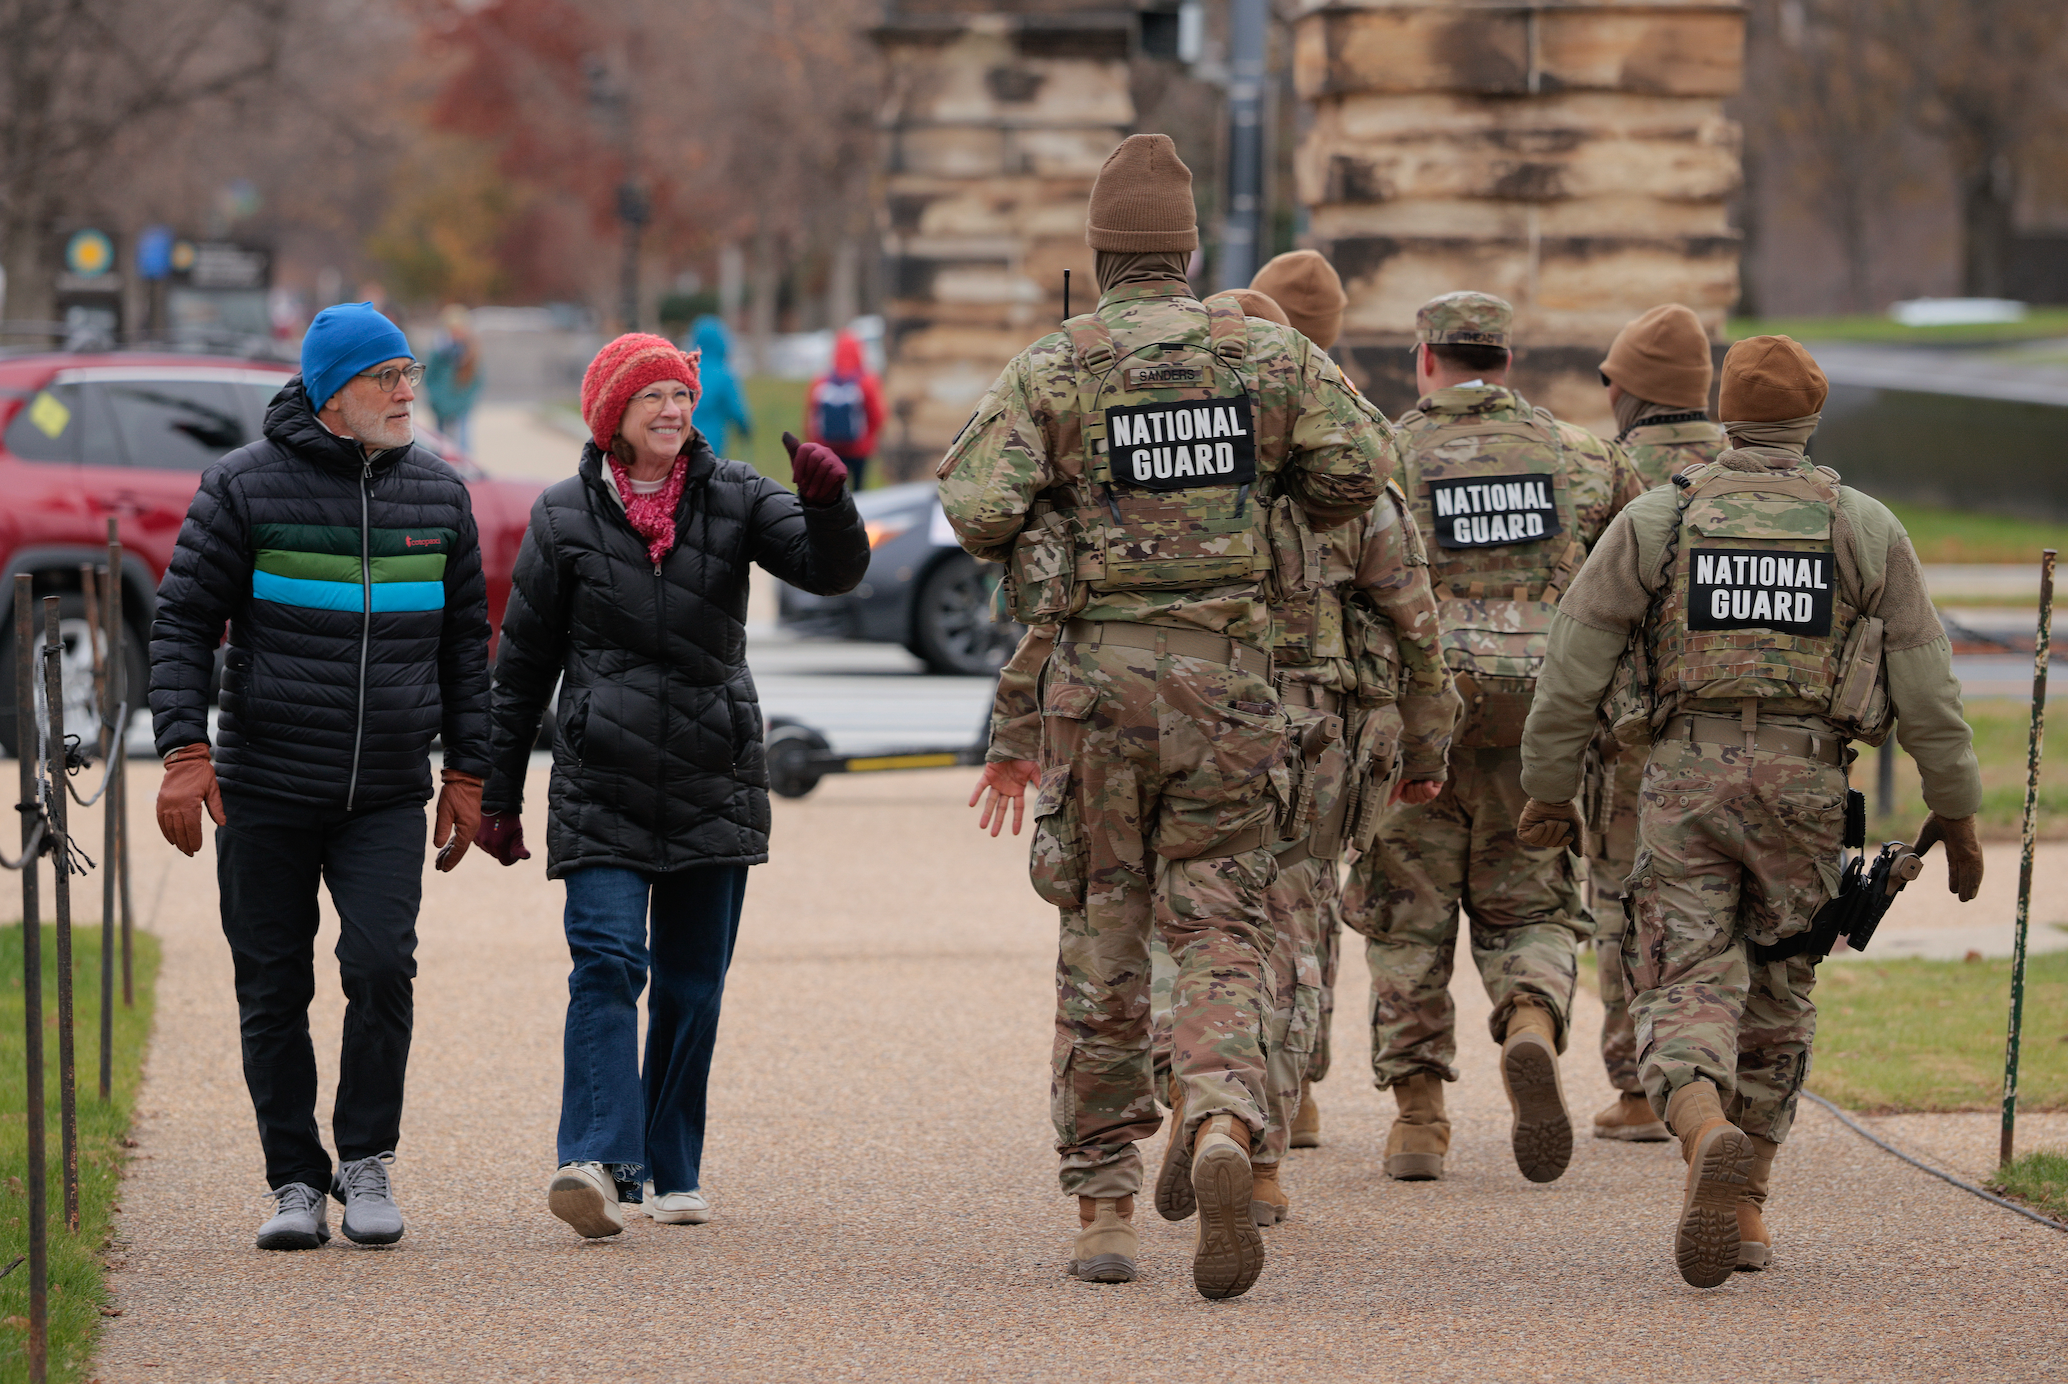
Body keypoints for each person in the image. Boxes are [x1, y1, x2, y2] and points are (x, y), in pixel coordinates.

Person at [945, 134, 1384, 1299]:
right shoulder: (1267, 354)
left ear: (1098, 254)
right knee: (1224, 921)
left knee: (1102, 932)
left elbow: (976, 503)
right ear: (1190, 252)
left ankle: (1102, 1205)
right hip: (1232, 686)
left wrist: (1059, 533)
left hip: (1094, 692)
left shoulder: (1058, 364)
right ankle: (1231, 1121)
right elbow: (1360, 473)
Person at [1515, 334, 1984, 1285]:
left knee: (1683, 973)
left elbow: (1574, 662)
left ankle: (1698, 1124)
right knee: (1778, 987)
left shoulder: (1659, 518)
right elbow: (1928, 686)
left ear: (1727, 411)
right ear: (1810, 419)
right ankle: (1750, 1206)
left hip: (1684, 779)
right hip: (1807, 783)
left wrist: (1548, 787)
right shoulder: (1863, 526)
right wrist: (1958, 809)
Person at [471, 332, 867, 1238]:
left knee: (692, 984)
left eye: (681, 395)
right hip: (600, 778)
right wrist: (498, 794)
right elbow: (521, 666)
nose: (673, 410)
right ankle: (598, 1163)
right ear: (614, 414)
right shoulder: (563, 514)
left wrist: (829, 504)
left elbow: (831, 571)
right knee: (606, 965)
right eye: (652, 397)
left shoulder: (734, 497)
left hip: (710, 774)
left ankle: (671, 1162)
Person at [149, 301, 491, 1251]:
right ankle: (296, 1179)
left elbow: (468, 645)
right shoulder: (242, 488)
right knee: (272, 984)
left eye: (409, 373)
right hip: (265, 784)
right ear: (331, 393)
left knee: (381, 966)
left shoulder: (439, 494)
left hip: (386, 786)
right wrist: (183, 749)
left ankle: (367, 1160)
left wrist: (470, 769)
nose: (406, 392)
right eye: (387, 377)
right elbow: (181, 621)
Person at [1341, 291, 1643, 1186]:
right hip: (1540, 729)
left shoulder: (1382, 454)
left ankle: (1419, 1119)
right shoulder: (1586, 459)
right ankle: (1530, 1024)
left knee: (1406, 922)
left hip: (1414, 731)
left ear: (1424, 359)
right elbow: (1629, 589)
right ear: (1508, 361)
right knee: (1535, 906)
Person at [1586, 303, 1729, 1144]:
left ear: (1627, 390)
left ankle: (1641, 1089)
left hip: (1634, 737)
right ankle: (1720, 1082)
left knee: (1623, 902)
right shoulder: (1762, 470)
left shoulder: (1606, 471)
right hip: (1747, 737)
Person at [805, 328, 886, 490]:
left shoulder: (821, 381)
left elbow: (811, 415)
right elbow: (877, 415)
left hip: (829, 449)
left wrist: (816, 443)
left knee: (832, 492)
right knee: (859, 491)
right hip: (859, 449)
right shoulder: (867, 381)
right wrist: (869, 439)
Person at [687, 315, 753, 458]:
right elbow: (736, 410)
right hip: (711, 444)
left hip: (683, 440)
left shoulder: (687, 371)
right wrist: (745, 428)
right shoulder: (724, 374)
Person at [423, 304, 484, 452]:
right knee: (440, 445)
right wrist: (437, 399)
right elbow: (430, 377)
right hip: (440, 405)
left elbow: (476, 382)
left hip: (461, 405)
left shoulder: (471, 352)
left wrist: (463, 402)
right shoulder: (439, 351)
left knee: (462, 443)